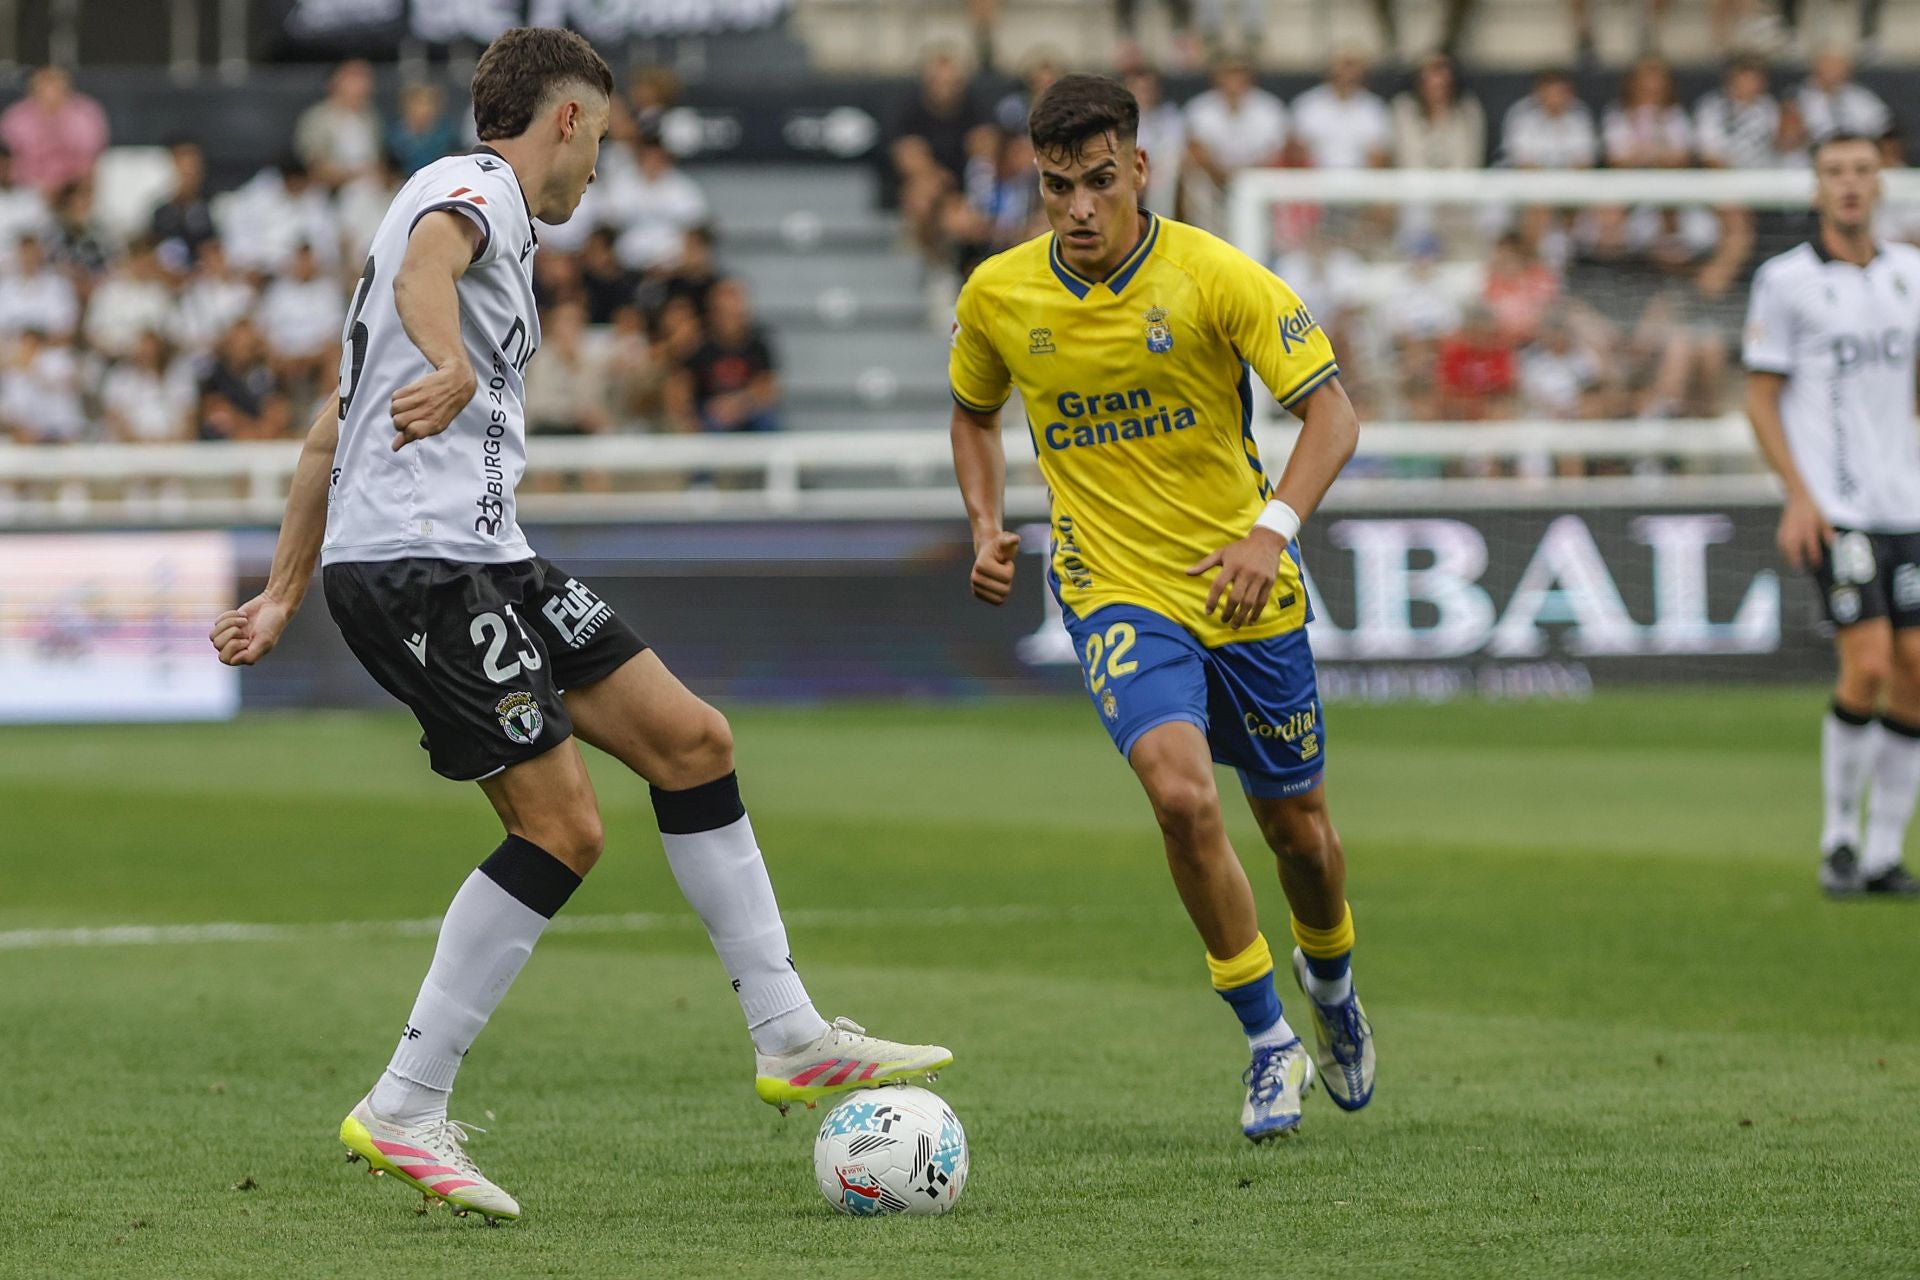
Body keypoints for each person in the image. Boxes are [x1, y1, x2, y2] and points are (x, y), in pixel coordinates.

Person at [207, 27, 950, 1225]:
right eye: (599, 136)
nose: (601, 164)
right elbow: (428, 276)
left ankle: (790, 1032)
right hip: (425, 570)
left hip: (481, 555)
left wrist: (284, 590)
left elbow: (322, 436)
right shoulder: (471, 191)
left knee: (693, 738)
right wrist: (450, 362)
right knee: (562, 829)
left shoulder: (453, 227)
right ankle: (404, 1102)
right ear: (561, 120)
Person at [948, 74, 1373, 1142]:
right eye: (1056, 188)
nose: (1080, 208)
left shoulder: (1215, 275)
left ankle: (1332, 989)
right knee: (1181, 796)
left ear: (1140, 169)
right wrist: (984, 518)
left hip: (1248, 585)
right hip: (1115, 589)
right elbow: (971, 410)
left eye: (1099, 181)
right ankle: (1270, 1039)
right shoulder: (999, 295)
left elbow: (1332, 416)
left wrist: (1268, 530)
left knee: (1300, 830)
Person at [1742, 132, 1920, 899]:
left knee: (1917, 673)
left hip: (1906, 505)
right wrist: (1798, 493)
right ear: (1816, 189)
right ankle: (1838, 839)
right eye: (1834, 173)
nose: (1849, 185)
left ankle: (1884, 855)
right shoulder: (1785, 282)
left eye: (1861, 172)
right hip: (1836, 508)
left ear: (1880, 184)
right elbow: (1760, 396)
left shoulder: (1912, 272)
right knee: (1871, 663)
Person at [0, 67, 107, 195]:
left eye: (54, 84)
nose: (50, 91)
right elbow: (7, 164)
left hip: (73, 191)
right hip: (27, 191)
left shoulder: (86, 114)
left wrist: (71, 189)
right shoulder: (15, 118)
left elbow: (90, 162)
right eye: (44, 84)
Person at [1290, 52, 1392, 171]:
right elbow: (1296, 154)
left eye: (1352, 65)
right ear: (1330, 70)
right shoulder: (1307, 105)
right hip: (1315, 181)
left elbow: (1380, 156)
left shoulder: (1374, 108)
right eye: (1344, 65)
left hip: (1362, 182)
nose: (1347, 73)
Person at [296, 59, 383, 190]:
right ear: (335, 81)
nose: (362, 84)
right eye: (354, 77)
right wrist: (354, 175)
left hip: (372, 191)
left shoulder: (372, 118)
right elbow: (315, 168)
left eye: (365, 77)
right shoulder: (318, 118)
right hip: (329, 195)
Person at [1500, 69, 1597, 170]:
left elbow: (1585, 161)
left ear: (1569, 94)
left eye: (1559, 93)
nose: (1554, 98)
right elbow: (1521, 161)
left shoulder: (1580, 117)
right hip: (1527, 181)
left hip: (1570, 181)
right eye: (1550, 92)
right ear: (1538, 92)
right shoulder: (1522, 115)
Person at [1795, 52, 1889, 144]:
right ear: (1816, 70)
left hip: (1857, 150)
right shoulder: (1797, 97)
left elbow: (1883, 126)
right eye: (1828, 67)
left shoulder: (1861, 97)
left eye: (1838, 68)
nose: (1833, 73)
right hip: (1812, 151)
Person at [149, 138, 217, 264]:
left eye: (193, 165)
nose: (188, 171)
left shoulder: (216, 206)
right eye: (182, 164)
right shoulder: (160, 211)